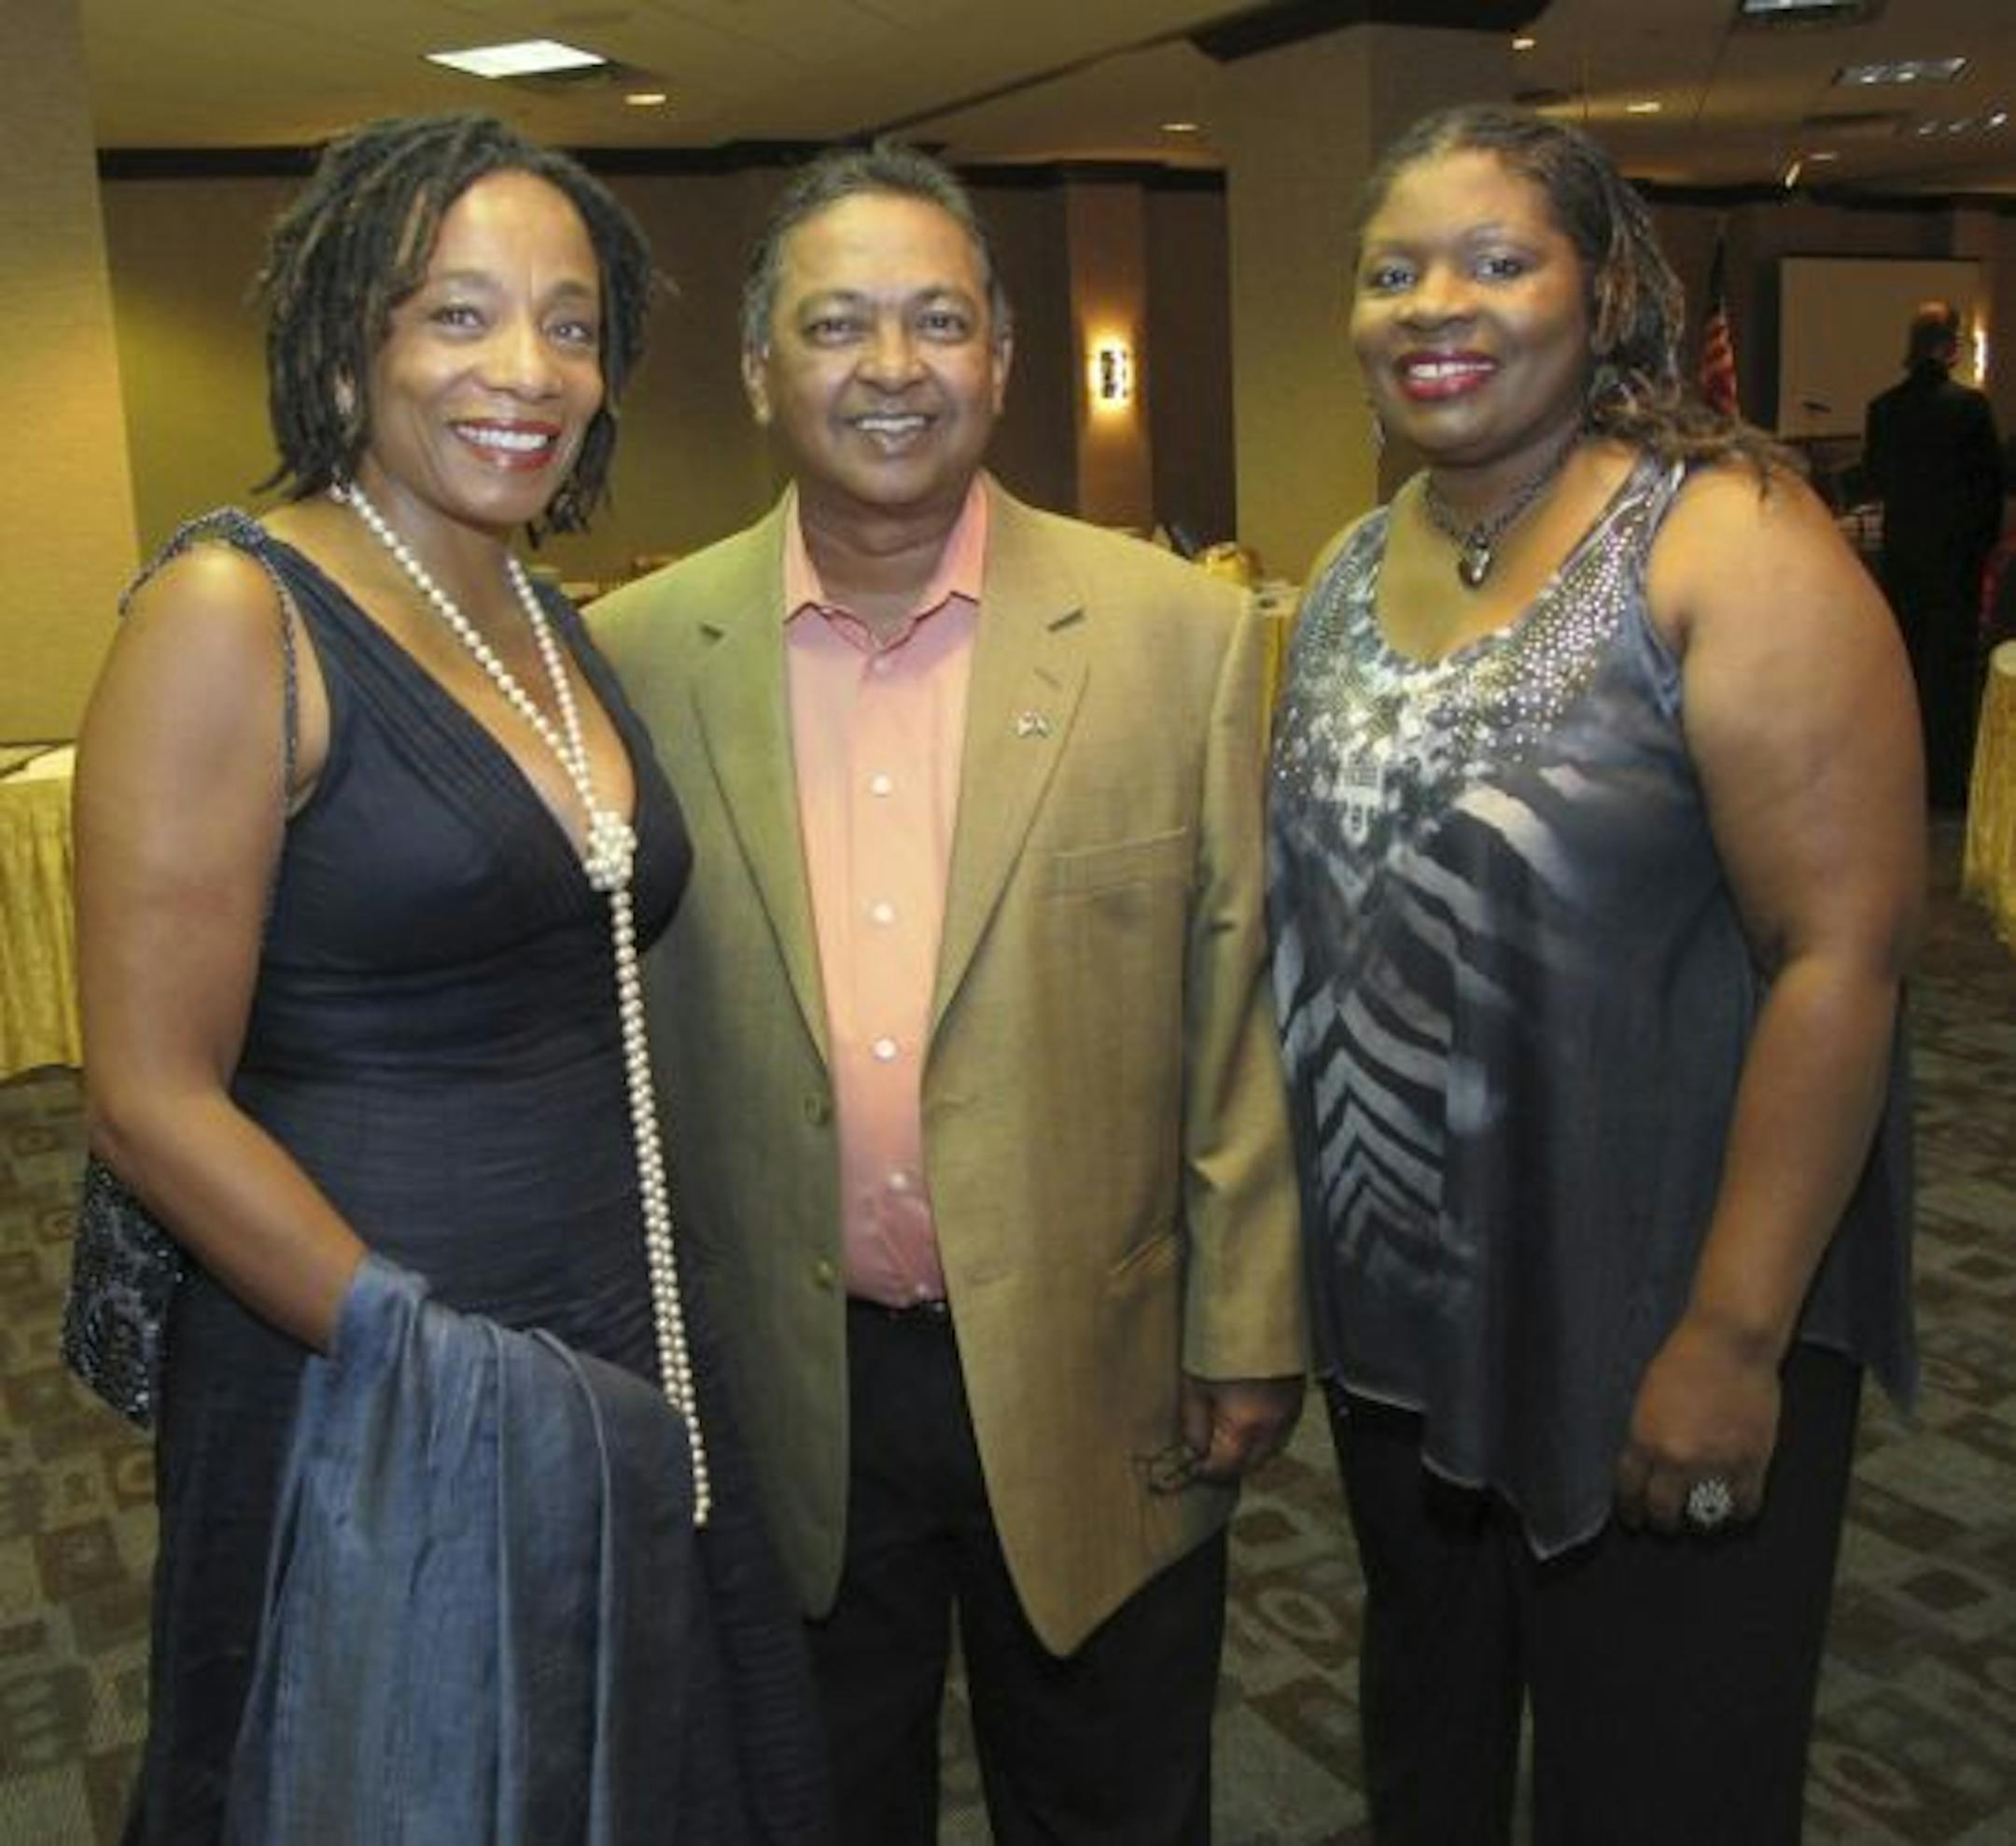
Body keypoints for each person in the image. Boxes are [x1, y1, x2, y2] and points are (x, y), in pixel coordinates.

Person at [73, 113, 821, 1840]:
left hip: (614, 1310)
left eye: (571, 322)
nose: (529, 368)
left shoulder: (538, 609)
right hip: (373, 1357)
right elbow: (147, 1098)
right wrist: (432, 1364)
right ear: (350, 344)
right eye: (457, 313)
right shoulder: (227, 610)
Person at [593, 141, 1305, 1844]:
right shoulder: (634, 653)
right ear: (761, 371)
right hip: (787, 1380)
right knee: (815, 1800)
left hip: (1104, 1366)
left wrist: (1251, 1322)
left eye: (937, 321)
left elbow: (1240, 1007)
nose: (893, 369)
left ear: (1003, 355)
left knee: (1116, 1799)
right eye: (838, 326)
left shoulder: (1175, 637)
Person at [1267, 105, 1921, 1844]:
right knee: (1434, 1763)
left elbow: (1841, 957)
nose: (1435, 305)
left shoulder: (1732, 543)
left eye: (1496, 260)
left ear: (1601, 287)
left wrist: (1730, 1334)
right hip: (1408, 1331)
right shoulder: (1342, 568)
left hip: (1657, 1305)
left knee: (1662, 1781)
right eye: (1392, 270)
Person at [1864, 300, 2004, 808]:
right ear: (1949, 347)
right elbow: (1990, 490)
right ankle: (1947, 786)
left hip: (1904, 561)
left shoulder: (1884, 408)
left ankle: (1899, 779)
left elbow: (1876, 477)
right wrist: (1978, 550)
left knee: (1904, 672)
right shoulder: (1969, 409)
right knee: (1949, 678)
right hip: (1955, 564)